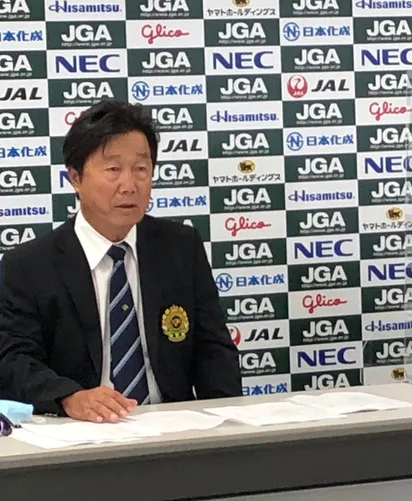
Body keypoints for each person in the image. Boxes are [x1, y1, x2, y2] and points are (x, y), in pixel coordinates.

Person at [0, 100, 242, 422]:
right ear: (75, 178)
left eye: (141, 169)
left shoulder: (181, 247)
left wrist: (229, 428)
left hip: (173, 428)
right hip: (81, 431)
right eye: (113, 170)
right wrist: (69, 397)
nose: (129, 185)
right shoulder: (29, 266)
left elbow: (214, 352)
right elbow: (14, 361)